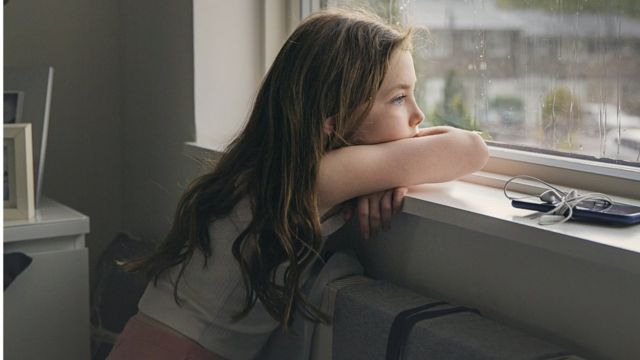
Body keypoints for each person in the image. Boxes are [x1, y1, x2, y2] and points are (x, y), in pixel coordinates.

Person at [107, 8, 488, 360]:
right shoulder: (315, 177)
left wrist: (388, 171)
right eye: (399, 98)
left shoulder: (269, 168)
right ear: (332, 121)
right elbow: (471, 149)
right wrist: (390, 168)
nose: (418, 114)